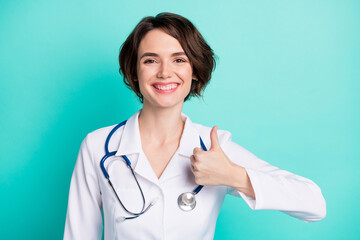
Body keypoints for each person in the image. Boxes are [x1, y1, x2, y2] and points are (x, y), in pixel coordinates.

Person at [64, 12, 326, 240]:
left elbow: (314, 205)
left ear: (195, 71)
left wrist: (234, 176)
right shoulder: (98, 146)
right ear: (134, 71)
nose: (165, 72)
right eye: (150, 60)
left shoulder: (216, 149)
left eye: (179, 60)